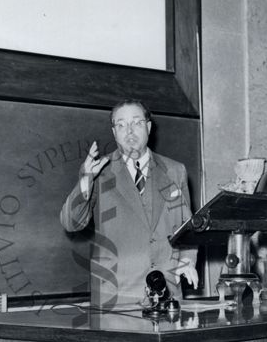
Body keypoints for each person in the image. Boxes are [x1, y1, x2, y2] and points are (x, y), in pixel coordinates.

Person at [60, 99, 198, 308]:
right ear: (114, 132)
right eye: (121, 125)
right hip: (116, 298)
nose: (129, 131)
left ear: (149, 127)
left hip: (168, 294)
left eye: (136, 122)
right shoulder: (99, 170)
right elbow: (71, 223)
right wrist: (86, 180)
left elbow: (187, 228)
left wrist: (187, 260)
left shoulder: (174, 170)